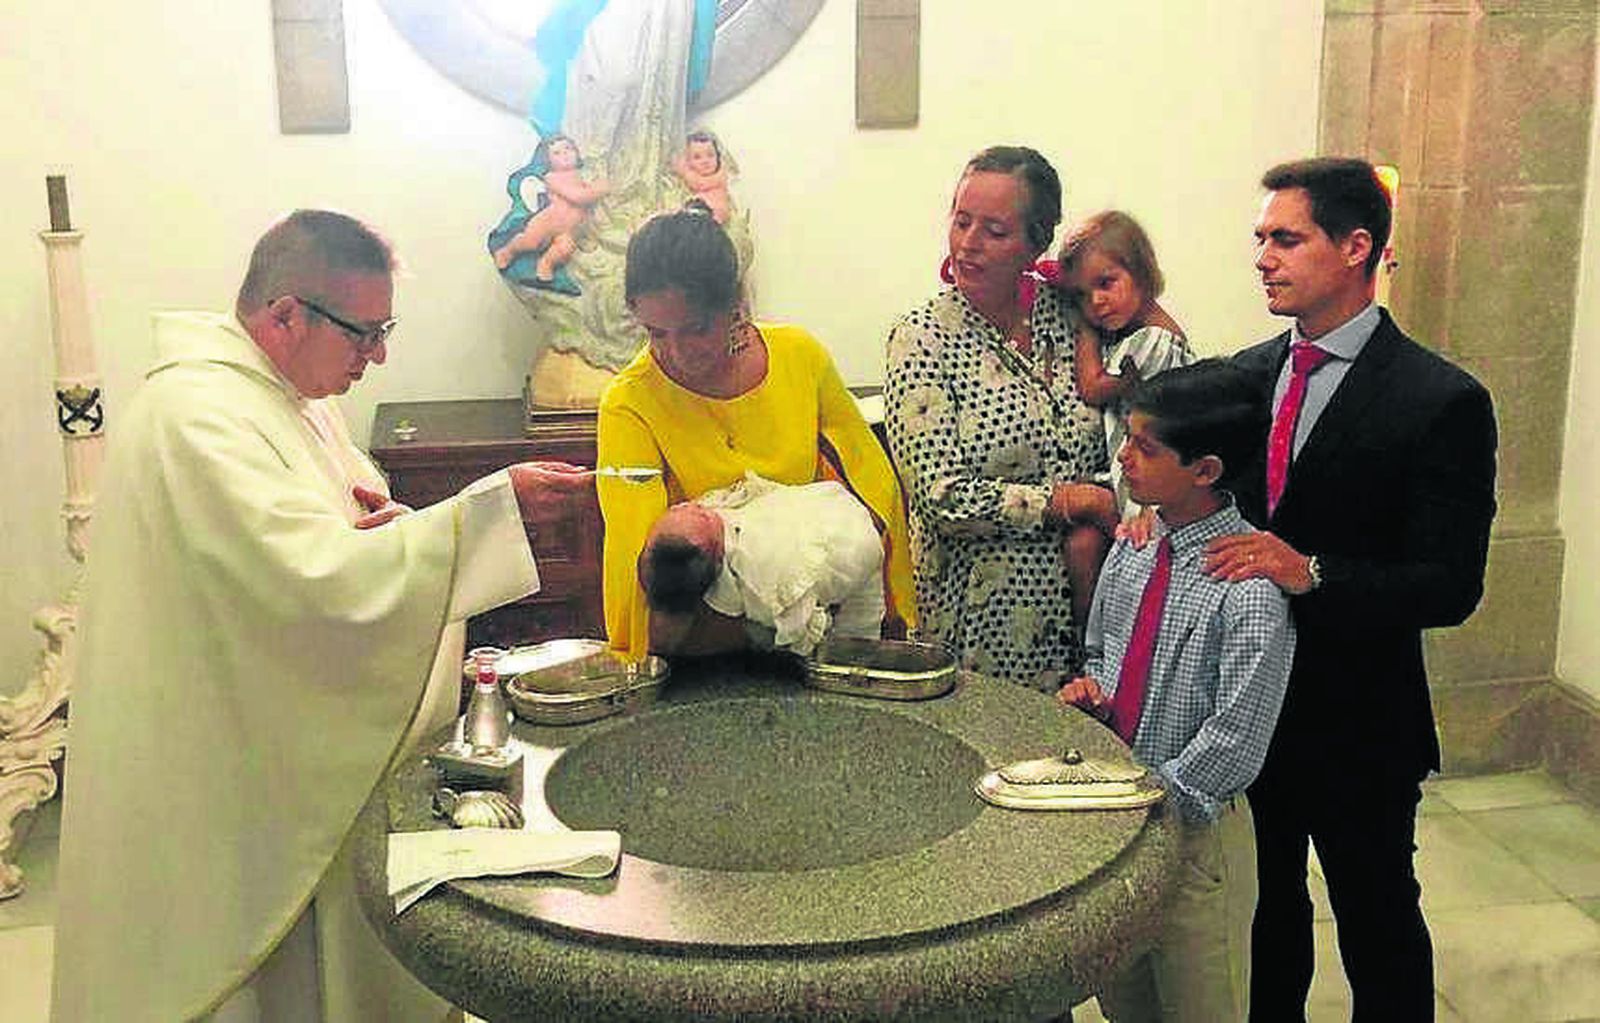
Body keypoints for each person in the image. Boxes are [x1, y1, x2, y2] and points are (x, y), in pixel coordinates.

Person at [49, 210, 597, 1023]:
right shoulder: (197, 420)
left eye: (385, 329)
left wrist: (393, 524)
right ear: (285, 316)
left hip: (266, 742)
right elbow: (313, 586)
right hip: (214, 775)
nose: (377, 356)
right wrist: (485, 514)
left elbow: (334, 542)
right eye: (365, 333)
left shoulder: (290, 397)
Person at [1204, 158, 1497, 1020]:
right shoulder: (1247, 375)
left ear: (1356, 247)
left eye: (1286, 238)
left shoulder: (1440, 398)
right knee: (1263, 920)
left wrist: (1312, 572)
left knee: (1378, 922)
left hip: (1362, 717)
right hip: (1249, 705)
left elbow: (1451, 584)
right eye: (1260, 238)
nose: (1262, 256)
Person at [1057, 359, 1293, 1021]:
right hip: (1122, 823)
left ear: (1206, 470)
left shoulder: (1246, 587)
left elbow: (1236, 738)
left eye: (1145, 447)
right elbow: (1104, 649)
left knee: (1200, 1001)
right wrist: (1097, 698)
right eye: (1127, 437)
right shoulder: (1135, 546)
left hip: (1194, 833)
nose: (1124, 457)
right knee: (1127, 1000)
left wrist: (1151, 798)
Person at [597, 205, 914, 658]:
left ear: (734, 305)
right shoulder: (629, 402)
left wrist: (890, 612)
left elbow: (872, 489)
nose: (676, 352)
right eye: (656, 333)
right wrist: (641, 656)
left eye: (696, 329)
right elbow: (636, 554)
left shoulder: (799, 358)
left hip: (824, 625)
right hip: (698, 640)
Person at [884, 145, 1117, 690]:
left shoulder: (1073, 314)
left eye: (994, 230)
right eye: (961, 221)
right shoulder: (923, 338)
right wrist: (1067, 501)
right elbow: (940, 496)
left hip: (1098, 621)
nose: (968, 243)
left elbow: (1153, 373)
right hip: (984, 631)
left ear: (1037, 242)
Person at [640, 472, 887, 656]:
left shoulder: (710, 524)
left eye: (681, 509)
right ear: (715, 551)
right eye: (695, 513)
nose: (688, 506)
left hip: (847, 533)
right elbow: (800, 632)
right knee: (849, 646)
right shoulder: (765, 576)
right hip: (846, 541)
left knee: (856, 646)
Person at [1057, 210, 1195, 516]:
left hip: (1153, 492)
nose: (1095, 302)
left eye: (1105, 283)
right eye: (1081, 295)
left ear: (1142, 272)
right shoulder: (1131, 334)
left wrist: (1085, 329)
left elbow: (1092, 388)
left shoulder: (1153, 341)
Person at [489, 133, 610, 286]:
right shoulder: (552, 178)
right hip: (547, 223)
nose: (564, 154)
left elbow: (586, 198)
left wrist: (594, 188)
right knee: (530, 242)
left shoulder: (581, 176)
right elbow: (577, 197)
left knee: (564, 249)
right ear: (549, 161)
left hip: (569, 228)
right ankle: (508, 251)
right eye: (557, 153)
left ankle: (546, 263)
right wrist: (598, 190)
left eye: (568, 148)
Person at [673, 129, 733, 224]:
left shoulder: (719, 177)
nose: (705, 161)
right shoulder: (687, 179)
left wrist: (684, 171)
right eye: (697, 157)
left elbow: (697, 184)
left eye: (710, 155)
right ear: (688, 161)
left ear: (718, 156)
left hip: (713, 214)